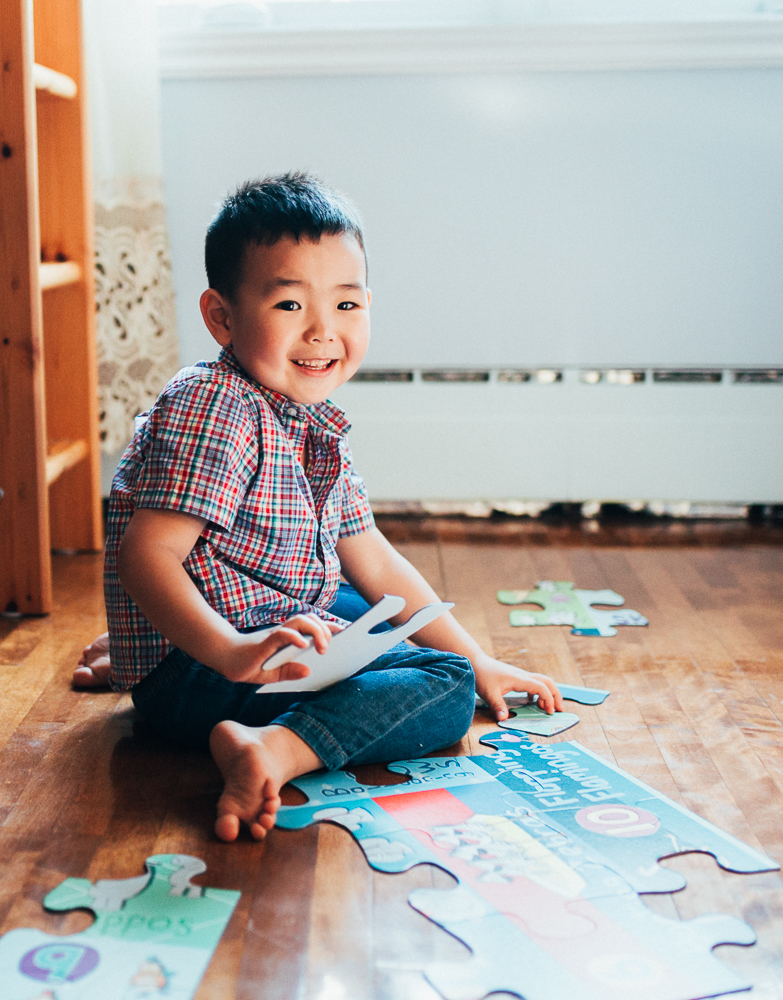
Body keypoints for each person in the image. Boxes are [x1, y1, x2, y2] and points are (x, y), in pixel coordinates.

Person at [76, 172, 562, 842]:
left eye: (346, 306)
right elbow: (145, 556)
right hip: (213, 666)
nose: (322, 333)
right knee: (442, 685)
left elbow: (376, 564)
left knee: (380, 615)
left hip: (258, 624)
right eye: (288, 307)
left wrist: (484, 662)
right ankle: (273, 747)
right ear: (221, 316)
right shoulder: (216, 404)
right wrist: (229, 650)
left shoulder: (308, 418)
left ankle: (151, 653)